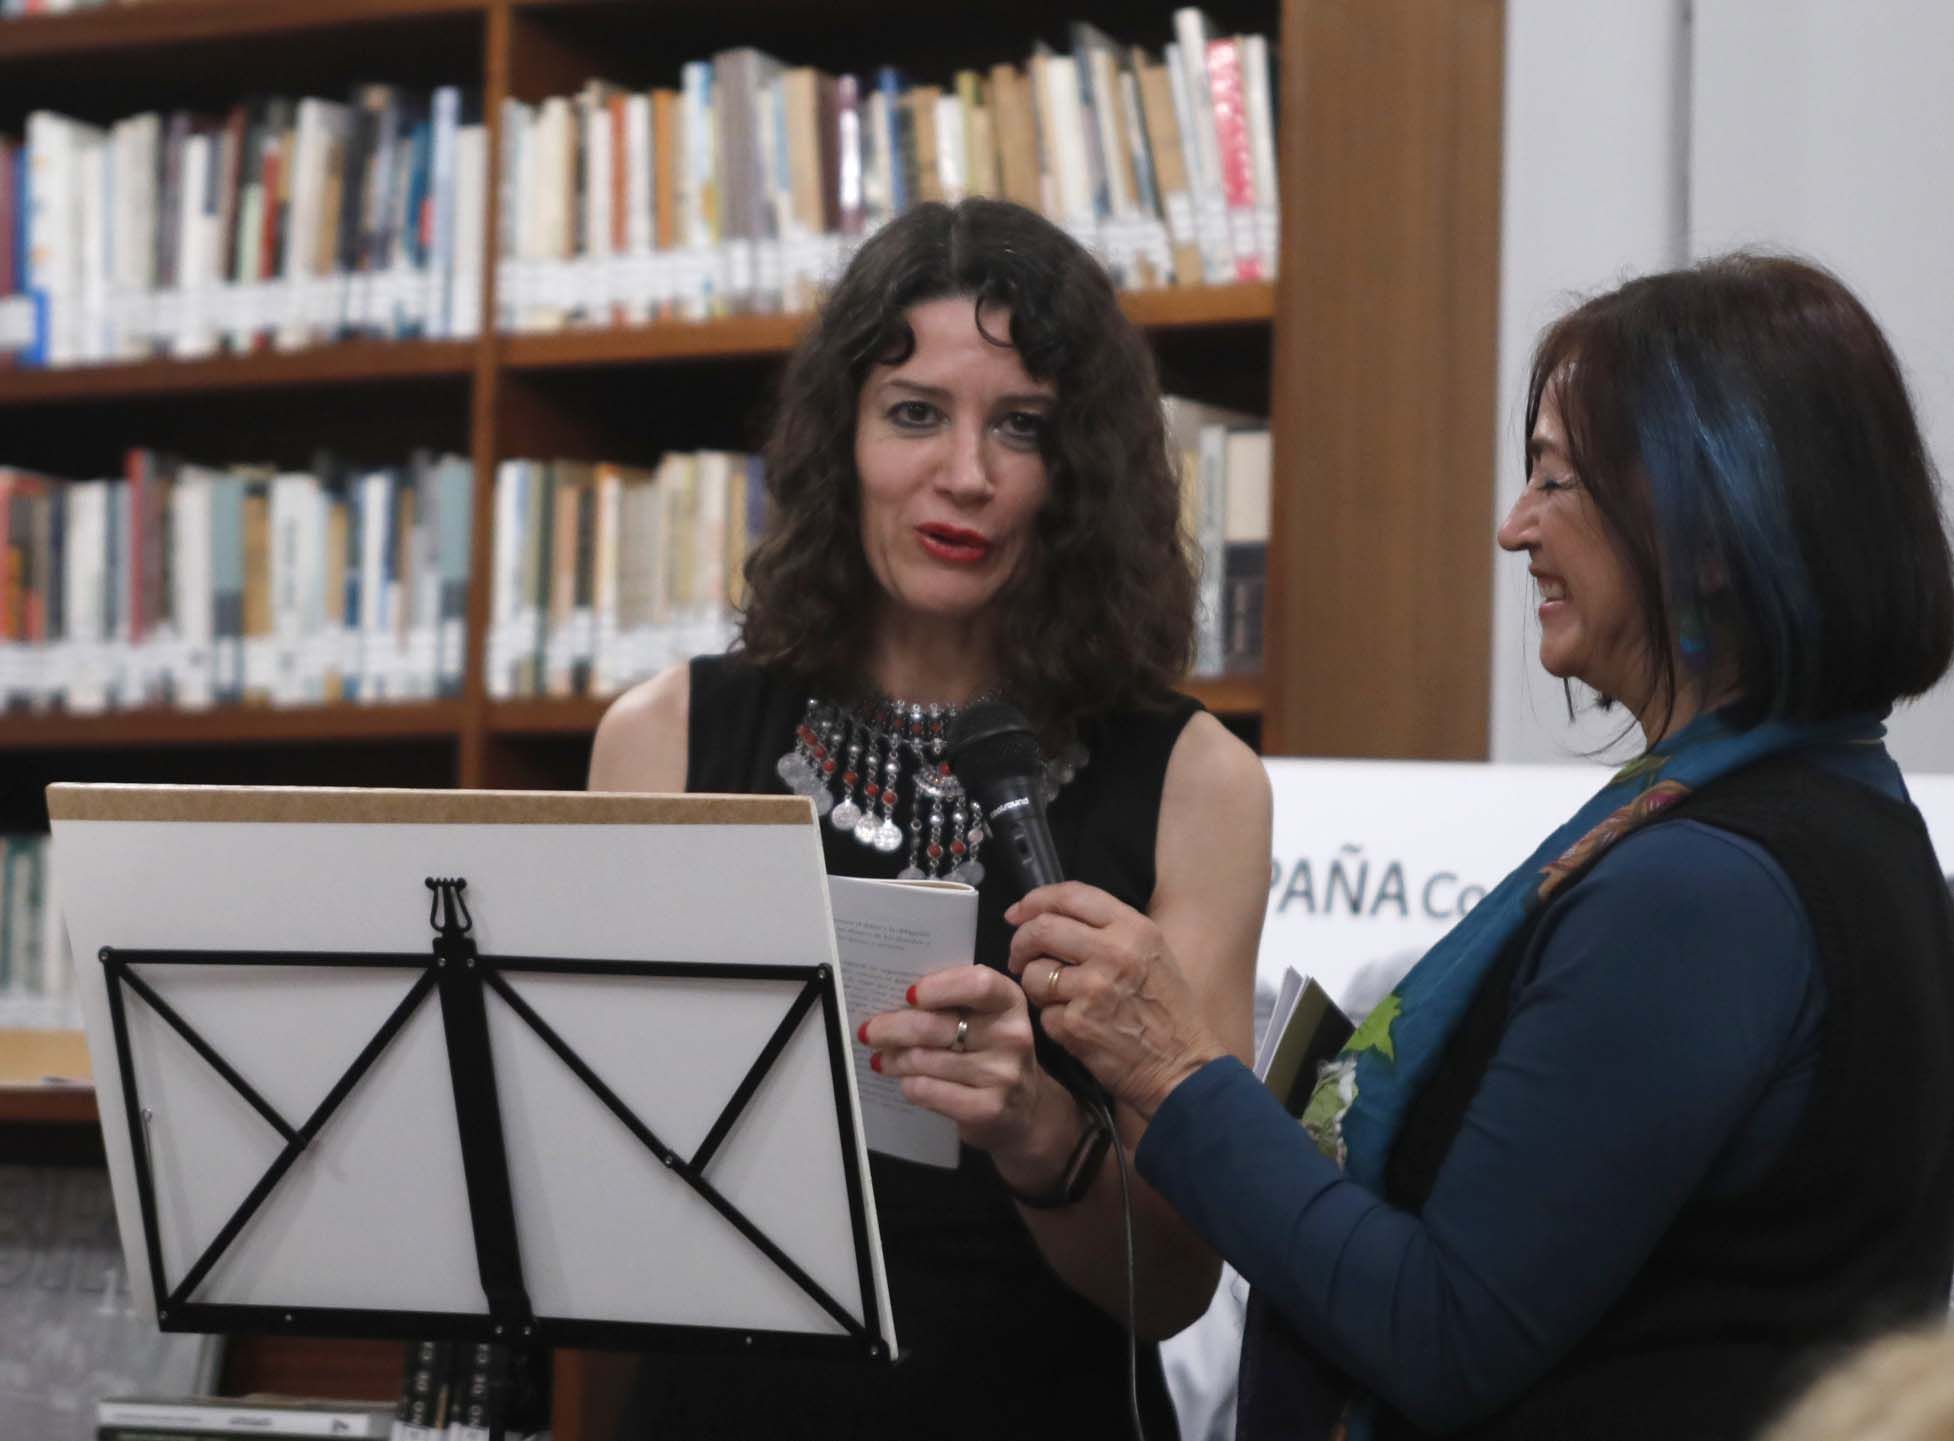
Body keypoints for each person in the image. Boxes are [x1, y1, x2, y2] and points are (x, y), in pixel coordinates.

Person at [1007, 254, 1954, 1440]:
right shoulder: (1833, 812)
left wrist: (1176, 1075)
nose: (1515, 528)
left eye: (1557, 478)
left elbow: (1442, 1331)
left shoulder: (1701, 892)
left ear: (1712, 528)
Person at [587, 197, 1270, 1437]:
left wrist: (1037, 1130)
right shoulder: (663, 739)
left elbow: (1172, 1289)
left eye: (1021, 425)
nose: (965, 474)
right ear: (837, 438)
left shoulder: (1198, 782)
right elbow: (593, 1187)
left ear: (1079, 473)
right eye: (914, 413)